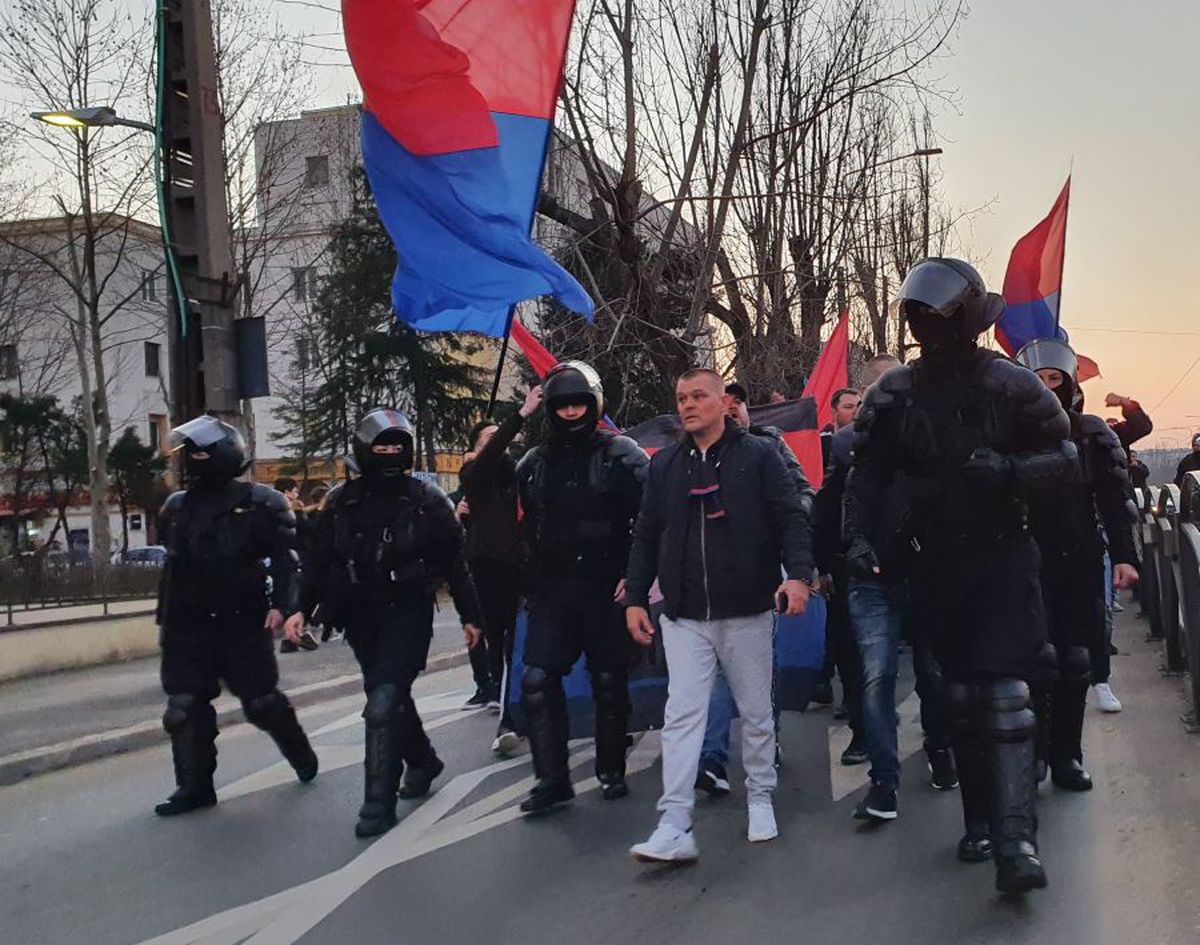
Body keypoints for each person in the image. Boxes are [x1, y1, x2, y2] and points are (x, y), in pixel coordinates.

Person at [844, 258, 1075, 894]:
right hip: (936, 558)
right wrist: (861, 538)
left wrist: (1009, 472)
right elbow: (867, 473)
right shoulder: (894, 394)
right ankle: (979, 824)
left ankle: (1015, 837)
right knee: (961, 698)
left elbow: (1065, 456)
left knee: (1005, 695)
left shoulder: (1012, 385)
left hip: (1003, 553)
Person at [626, 367, 813, 862]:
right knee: (682, 715)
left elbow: (789, 516)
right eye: (681, 397)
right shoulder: (665, 465)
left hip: (747, 608)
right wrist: (636, 599)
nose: (687, 405)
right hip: (684, 614)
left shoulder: (759, 455)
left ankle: (759, 797)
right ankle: (674, 823)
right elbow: (646, 532)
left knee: (754, 712)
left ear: (724, 401)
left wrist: (798, 575)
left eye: (698, 396)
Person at [284, 409, 482, 837]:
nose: (390, 453)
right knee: (387, 696)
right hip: (358, 615)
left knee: (383, 702)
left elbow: (455, 563)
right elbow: (318, 561)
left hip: (408, 611)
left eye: (397, 445)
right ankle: (424, 760)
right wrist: (299, 607)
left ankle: (377, 805)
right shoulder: (341, 501)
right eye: (382, 446)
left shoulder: (427, 500)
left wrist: (472, 618)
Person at [154, 416, 318, 817]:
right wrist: (166, 621)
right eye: (190, 452)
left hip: (242, 620)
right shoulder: (176, 508)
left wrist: (286, 605)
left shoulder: (262, 503)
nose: (195, 458)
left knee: (261, 703)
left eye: (204, 451)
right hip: (188, 623)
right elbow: (172, 568)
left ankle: (300, 753)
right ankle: (193, 787)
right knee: (183, 706)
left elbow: (286, 560)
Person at [515, 362, 648, 815]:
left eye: (578, 403)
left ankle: (610, 768)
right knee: (536, 681)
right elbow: (523, 522)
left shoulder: (622, 454)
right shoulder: (533, 463)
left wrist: (634, 575)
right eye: (562, 405)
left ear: (594, 404)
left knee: (609, 680)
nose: (571, 412)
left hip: (605, 584)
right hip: (552, 589)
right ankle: (551, 780)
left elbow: (652, 519)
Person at [1015, 339, 1139, 790]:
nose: (1046, 387)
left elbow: (1114, 498)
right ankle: (1033, 753)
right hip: (1021, 562)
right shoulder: (1007, 433)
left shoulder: (1090, 433)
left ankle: (1068, 754)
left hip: (1079, 558)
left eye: (1054, 379)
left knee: (1075, 660)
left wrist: (1125, 556)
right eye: (1038, 379)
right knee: (1034, 663)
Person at [694, 383, 815, 793]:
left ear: (746, 410)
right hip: (708, 579)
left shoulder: (770, 446)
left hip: (762, 573)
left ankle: (767, 738)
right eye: (721, 406)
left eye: (736, 406)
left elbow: (803, 495)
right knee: (712, 671)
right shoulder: (693, 454)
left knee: (759, 667)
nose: (729, 413)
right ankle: (711, 758)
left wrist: (777, 521)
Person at [459, 386, 544, 755]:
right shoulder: (474, 474)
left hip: (524, 567)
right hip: (491, 567)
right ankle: (502, 702)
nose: (500, 444)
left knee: (520, 642)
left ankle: (514, 713)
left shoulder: (520, 474)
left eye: (503, 439)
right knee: (500, 636)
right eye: (490, 439)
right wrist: (521, 414)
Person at [275, 477, 319, 652]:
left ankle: (295, 636)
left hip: (286, 557)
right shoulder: (287, 508)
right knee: (294, 594)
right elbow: (303, 529)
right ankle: (296, 634)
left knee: (291, 594)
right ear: (286, 492)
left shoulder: (271, 505)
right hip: (293, 557)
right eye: (294, 490)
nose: (296, 494)